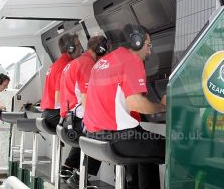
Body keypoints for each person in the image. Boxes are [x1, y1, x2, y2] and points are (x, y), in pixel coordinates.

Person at [83, 24, 166, 189]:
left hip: (94, 136)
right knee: (171, 147)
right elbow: (135, 104)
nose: (149, 51)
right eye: (148, 45)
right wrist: (162, 106)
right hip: (118, 139)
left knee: (148, 151)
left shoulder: (102, 62)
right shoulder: (132, 60)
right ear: (136, 42)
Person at [59, 35, 108, 186]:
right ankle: (80, 176)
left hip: (66, 121)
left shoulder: (74, 63)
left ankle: (68, 168)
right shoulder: (87, 64)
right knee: (102, 132)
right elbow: (87, 98)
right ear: (101, 49)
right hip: (76, 122)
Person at [40, 33, 82, 180]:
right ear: (70, 48)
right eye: (78, 45)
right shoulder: (65, 65)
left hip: (47, 114)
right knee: (89, 129)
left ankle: (68, 168)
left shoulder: (56, 64)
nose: (81, 48)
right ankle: (76, 172)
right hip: (54, 115)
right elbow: (59, 97)